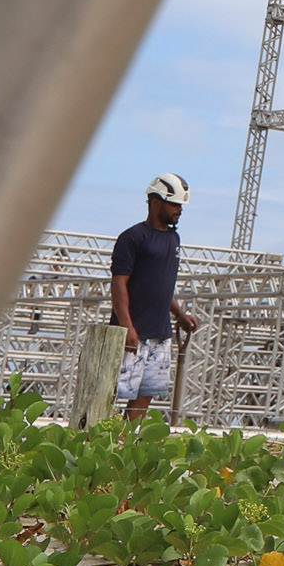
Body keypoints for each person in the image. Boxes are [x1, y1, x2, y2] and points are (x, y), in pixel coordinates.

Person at [109, 173, 203, 420]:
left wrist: (179, 313)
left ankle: (126, 445)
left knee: (143, 397)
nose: (179, 210)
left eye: (181, 205)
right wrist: (126, 326)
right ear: (155, 202)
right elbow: (119, 284)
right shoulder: (132, 238)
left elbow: (161, 285)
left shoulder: (174, 239)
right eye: (174, 204)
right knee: (112, 394)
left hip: (160, 335)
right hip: (133, 334)